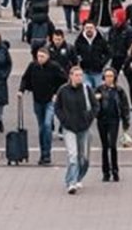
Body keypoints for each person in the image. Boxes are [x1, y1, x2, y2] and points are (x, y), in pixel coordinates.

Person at [19, 47, 68, 165]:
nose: (40, 59)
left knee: (47, 125)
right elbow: (25, 78)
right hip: (37, 100)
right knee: (41, 128)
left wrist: (57, 94)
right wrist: (21, 90)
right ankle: (43, 154)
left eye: (42, 56)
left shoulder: (54, 67)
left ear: (47, 57)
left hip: (50, 100)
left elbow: (64, 80)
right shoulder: (33, 66)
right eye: (38, 56)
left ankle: (47, 154)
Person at [55, 65, 97, 194]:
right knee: (73, 155)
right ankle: (71, 182)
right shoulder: (63, 90)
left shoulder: (86, 89)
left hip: (83, 127)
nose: (79, 78)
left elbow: (95, 105)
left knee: (83, 158)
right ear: (71, 76)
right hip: (69, 128)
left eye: (81, 75)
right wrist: (64, 120)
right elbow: (57, 107)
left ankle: (78, 176)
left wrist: (89, 118)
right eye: (77, 75)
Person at [95, 68, 131, 182]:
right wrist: (96, 100)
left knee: (113, 145)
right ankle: (105, 172)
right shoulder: (99, 89)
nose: (109, 78)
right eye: (107, 76)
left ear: (114, 77)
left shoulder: (119, 90)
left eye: (111, 76)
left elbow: (125, 106)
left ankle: (115, 170)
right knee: (104, 146)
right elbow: (92, 104)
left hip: (114, 120)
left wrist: (126, 121)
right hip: (102, 119)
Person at [74, 21, 110, 91]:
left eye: (91, 28)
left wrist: (102, 63)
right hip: (85, 72)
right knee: (87, 90)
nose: (89, 30)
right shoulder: (79, 40)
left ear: (94, 28)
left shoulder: (101, 40)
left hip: (98, 72)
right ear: (84, 28)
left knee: (99, 91)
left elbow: (108, 53)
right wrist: (80, 61)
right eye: (87, 28)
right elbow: (75, 53)